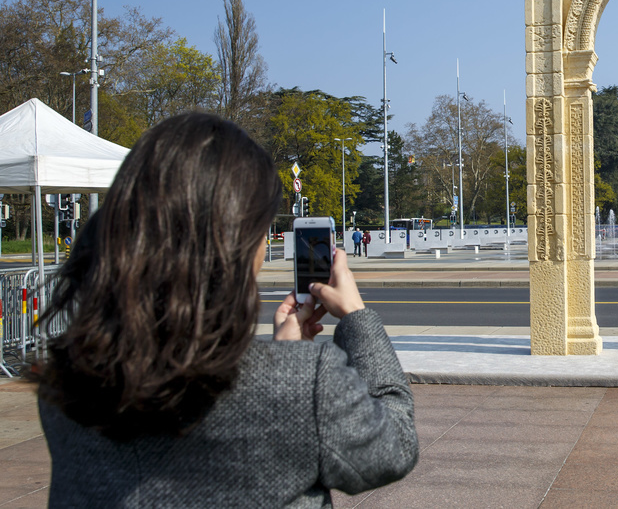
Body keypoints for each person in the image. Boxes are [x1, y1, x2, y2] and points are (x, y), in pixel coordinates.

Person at [32, 113, 417, 507]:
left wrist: (285, 357)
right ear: (231, 245)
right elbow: (395, 445)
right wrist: (356, 319)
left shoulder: (63, 384)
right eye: (261, 232)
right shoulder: (303, 384)